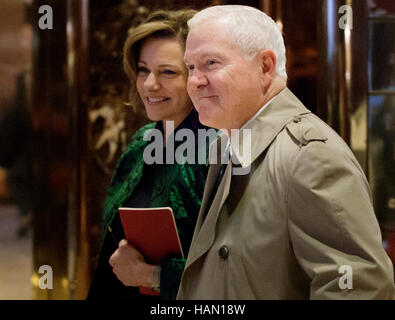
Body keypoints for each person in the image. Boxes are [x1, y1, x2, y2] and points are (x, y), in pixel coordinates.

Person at [178, 5, 395, 299]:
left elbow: (359, 288)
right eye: (191, 67)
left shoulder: (310, 155)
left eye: (211, 63)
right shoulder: (227, 141)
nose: (194, 81)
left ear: (265, 66)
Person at [88, 9, 212, 300]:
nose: (149, 84)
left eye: (167, 72)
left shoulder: (217, 149)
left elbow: (234, 264)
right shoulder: (141, 142)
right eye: (144, 69)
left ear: (198, 77)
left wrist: (153, 276)